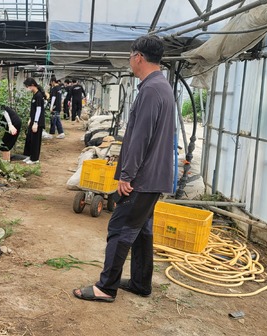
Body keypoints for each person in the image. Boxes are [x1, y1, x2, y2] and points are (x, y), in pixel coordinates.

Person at [73, 35, 175, 302]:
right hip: (153, 177)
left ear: (139, 57)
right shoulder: (160, 86)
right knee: (142, 230)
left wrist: (127, 175)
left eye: (131, 56)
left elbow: (141, 137)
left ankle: (106, 287)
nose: (130, 61)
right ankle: (141, 283)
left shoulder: (152, 90)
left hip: (142, 178)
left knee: (120, 228)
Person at [21, 77, 46, 165]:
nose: (26, 89)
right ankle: (29, 155)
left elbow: (39, 110)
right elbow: (34, 110)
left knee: (35, 140)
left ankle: (35, 158)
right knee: (30, 139)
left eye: (27, 87)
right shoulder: (35, 95)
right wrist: (30, 119)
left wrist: (35, 123)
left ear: (32, 85)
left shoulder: (39, 96)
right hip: (34, 120)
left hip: (38, 122)